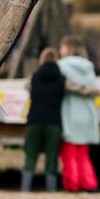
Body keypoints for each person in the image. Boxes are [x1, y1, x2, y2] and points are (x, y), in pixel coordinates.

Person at [57, 35, 100, 192]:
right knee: (83, 154)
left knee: (69, 154)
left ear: (68, 49)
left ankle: (72, 184)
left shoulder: (61, 66)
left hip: (69, 113)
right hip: (87, 114)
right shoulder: (88, 67)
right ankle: (89, 183)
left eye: (62, 47)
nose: (60, 50)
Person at [22, 48, 66, 191]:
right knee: (52, 158)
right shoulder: (62, 78)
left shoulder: (34, 77)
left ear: (42, 60)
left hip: (34, 120)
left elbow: (27, 87)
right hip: (53, 122)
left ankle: (25, 189)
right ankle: (50, 190)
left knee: (30, 156)